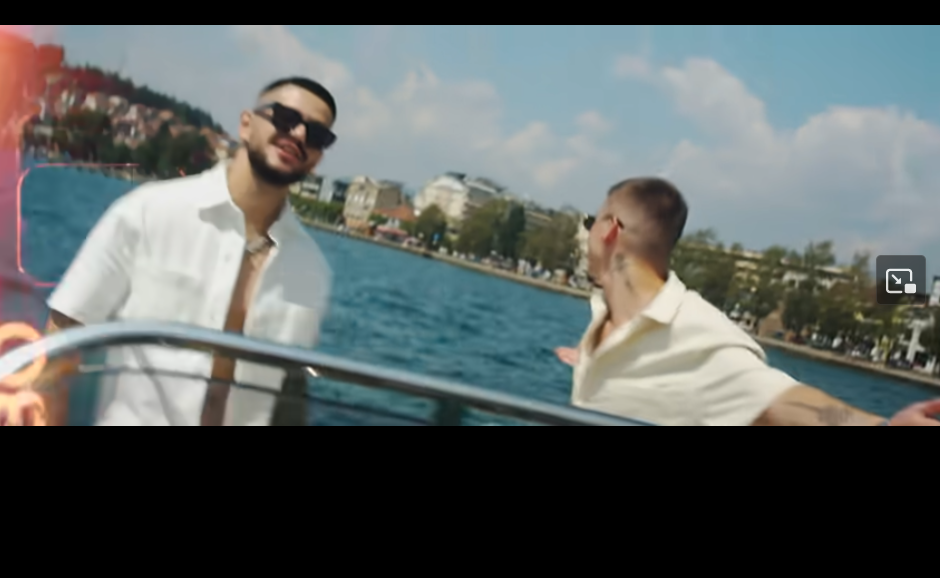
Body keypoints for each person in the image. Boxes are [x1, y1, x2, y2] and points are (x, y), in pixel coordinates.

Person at [21, 76, 338, 426]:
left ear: (318, 158)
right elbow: (61, 339)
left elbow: (288, 395)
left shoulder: (311, 269)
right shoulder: (148, 213)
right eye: (286, 118)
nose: (299, 135)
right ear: (246, 125)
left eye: (317, 134)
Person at [556, 178, 940, 426]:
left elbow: (782, 402)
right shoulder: (609, 313)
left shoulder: (698, 336)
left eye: (591, 221)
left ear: (609, 231)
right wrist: (592, 360)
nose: (587, 234)